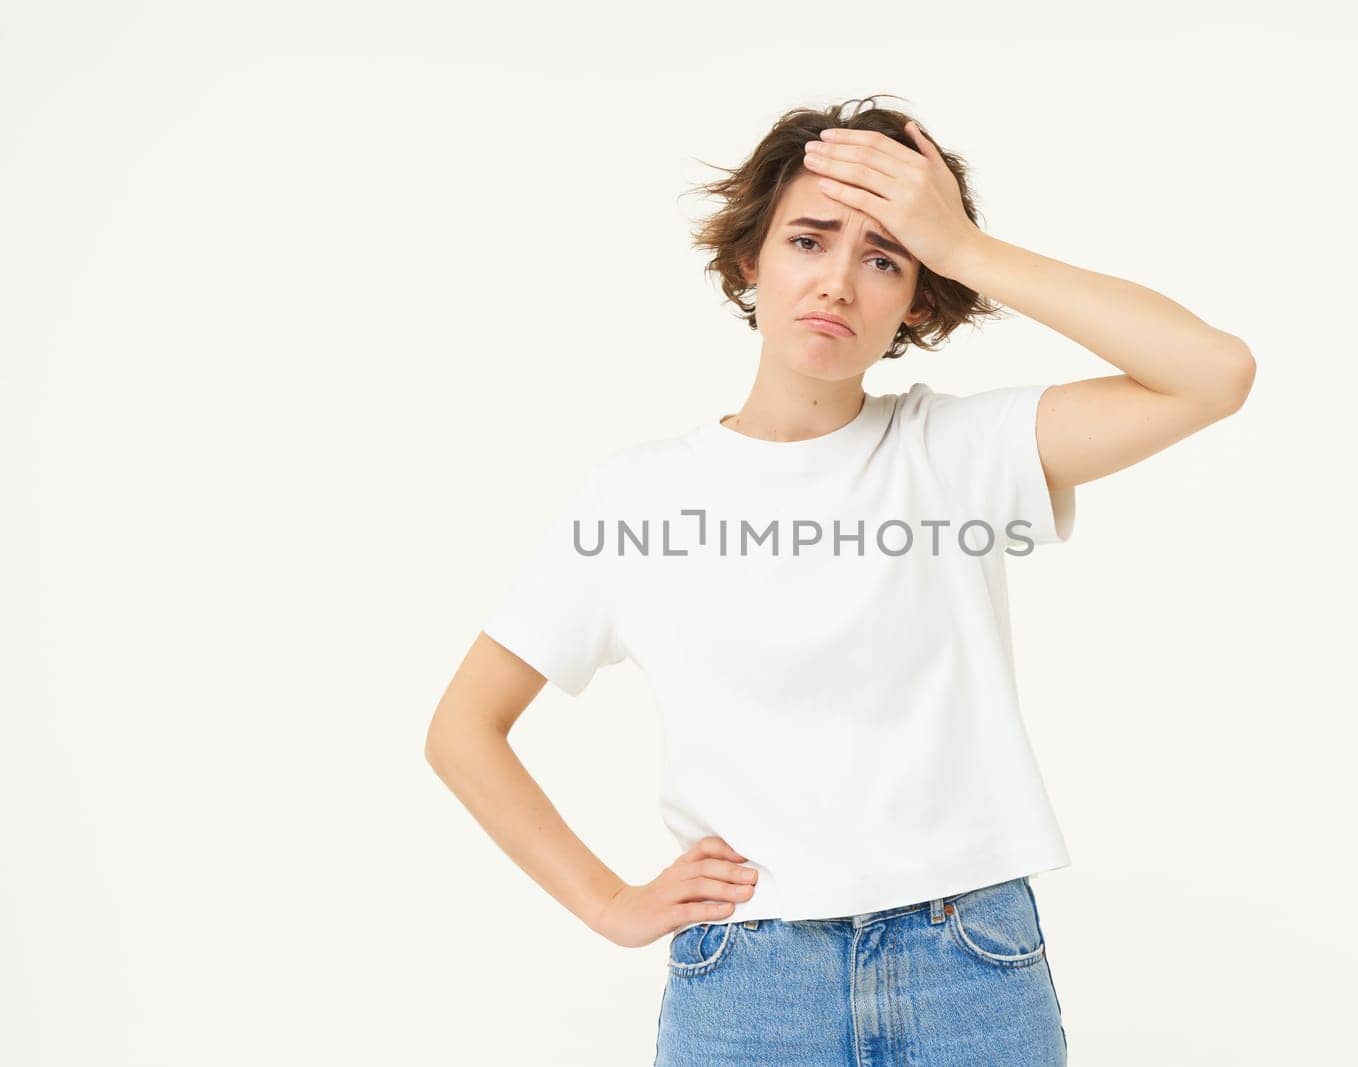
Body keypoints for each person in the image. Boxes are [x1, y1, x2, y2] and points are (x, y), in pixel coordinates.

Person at [424, 94, 1254, 1066]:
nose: (837, 284)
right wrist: (609, 901)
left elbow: (1212, 372)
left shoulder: (953, 454)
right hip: (747, 983)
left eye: (885, 256)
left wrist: (964, 244)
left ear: (917, 293)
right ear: (751, 259)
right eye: (809, 240)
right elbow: (462, 728)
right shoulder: (639, 495)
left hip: (967, 960)